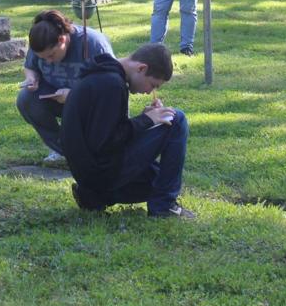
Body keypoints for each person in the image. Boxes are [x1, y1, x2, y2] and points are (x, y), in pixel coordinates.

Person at [60, 42, 193, 219]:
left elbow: (104, 131)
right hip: (99, 172)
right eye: (152, 85)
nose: (149, 92)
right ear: (141, 68)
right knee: (177, 119)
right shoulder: (111, 84)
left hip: (90, 173)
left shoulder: (102, 76)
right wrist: (146, 120)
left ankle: (94, 197)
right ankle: (164, 207)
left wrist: (145, 119)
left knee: (158, 179)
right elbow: (106, 142)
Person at [17, 9, 114, 167]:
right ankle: (65, 151)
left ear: (62, 39)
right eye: (43, 58)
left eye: (51, 55)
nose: (48, 62)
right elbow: (30, 66)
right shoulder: (41, 43)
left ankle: (97, 150)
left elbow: (112, 87)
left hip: (94, 104)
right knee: (26, 99)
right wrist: (31, 78)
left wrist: (76, 95)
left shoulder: (93, 43)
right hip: (57, 98)